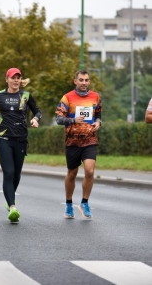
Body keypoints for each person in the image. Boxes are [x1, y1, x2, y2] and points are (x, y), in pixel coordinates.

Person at [0, 68, 42, 223]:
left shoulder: (26, 95)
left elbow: (38, 112)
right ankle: (12, 206)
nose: (16, 80)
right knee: (8, 173)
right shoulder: (0, 95)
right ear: (7, 79)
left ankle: (9, 198)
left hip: (21, 139)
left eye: (18, 77)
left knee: (16, 175)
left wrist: (36, 119)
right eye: (13, 78)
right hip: (4, 138)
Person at [55, 70, 102, 219]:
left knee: (89, 171)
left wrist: (98, 122)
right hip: (72, 141)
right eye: (81, 80)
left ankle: (85, 202)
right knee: (72, 173)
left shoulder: (95, 96)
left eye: (86, 80)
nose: (83, 83)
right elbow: (58, 119)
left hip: (90, 140)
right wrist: (73, 120)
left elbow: (98, 114)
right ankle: (69, 204)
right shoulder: (67, 97)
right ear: (75, 81)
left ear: (89, 82)